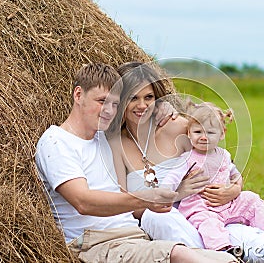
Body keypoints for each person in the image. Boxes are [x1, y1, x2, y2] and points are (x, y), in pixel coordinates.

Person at [35, 62, 237, 263]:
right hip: (95, 243)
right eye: (101, 101)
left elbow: (140, 116)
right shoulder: (57, 142)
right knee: (179, 254)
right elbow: (83, 202)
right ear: (78, 95)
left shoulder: (104, 139)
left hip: (132, 235)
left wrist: (162, 106)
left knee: (225, 260)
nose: (108, 110)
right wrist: (147, 199)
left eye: (115, 104)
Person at [109, 61, 264, 263]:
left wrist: (235, 189)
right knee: (155, 217)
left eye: (148, 97)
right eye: (133, 98)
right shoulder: (116, 144)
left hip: (211, 217)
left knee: (258, 245)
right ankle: (217, 257)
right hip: (172, 226)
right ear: (121, 100)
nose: (142, 105)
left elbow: (220, 164)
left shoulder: (177, 127)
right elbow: (122, 203)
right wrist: (177, 194)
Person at [161, 101, 264, 252]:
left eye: (210, 133)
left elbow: (235, 175)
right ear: (189, 134)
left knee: (251, 198)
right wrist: (165, 192)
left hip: (228, 205)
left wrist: (236, 188)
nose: (204, 137)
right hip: (201, 207)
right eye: (198, 132)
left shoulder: (224, 155)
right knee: (208, 223)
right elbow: (171, 179)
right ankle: (222, 248)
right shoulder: (187, 158)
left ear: (222, 134)